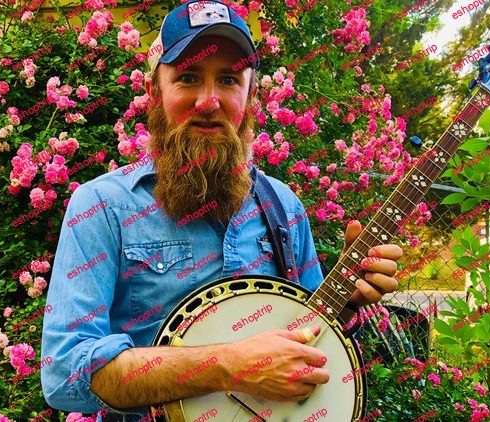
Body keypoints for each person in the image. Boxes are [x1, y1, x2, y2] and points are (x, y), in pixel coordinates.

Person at [40, 1, 403, 421]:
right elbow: (65, 374)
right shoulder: (102, 206)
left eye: (228, 79)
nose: (208, 101)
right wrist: (228, 365)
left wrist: (347, 304)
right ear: (155, 93)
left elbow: (312, 338)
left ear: (250, 95)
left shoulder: (283, 206)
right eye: (189, 78)